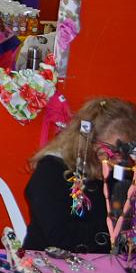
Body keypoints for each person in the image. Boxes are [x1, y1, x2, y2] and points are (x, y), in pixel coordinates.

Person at [23, 98, 136, 253]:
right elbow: (60, 236)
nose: (120, 160)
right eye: (112, 152)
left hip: (101, 259)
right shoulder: (51, 170)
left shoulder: (120, 168)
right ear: (87, 143)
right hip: (51, 260)